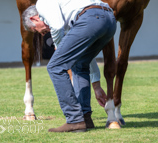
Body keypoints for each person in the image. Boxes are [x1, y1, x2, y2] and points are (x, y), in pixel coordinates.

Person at [22, 0, 116, 132]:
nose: (43, 34)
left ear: (34, 18)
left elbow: (57, 26)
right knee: (80, 63)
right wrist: (96, 85)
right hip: (109, 20)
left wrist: (59, 49)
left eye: (37, 30)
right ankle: (85, 119)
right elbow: (85, 59)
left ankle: (74, 119)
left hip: (91, 18)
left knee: (54, 66)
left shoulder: (42, 4)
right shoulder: (68, 11)